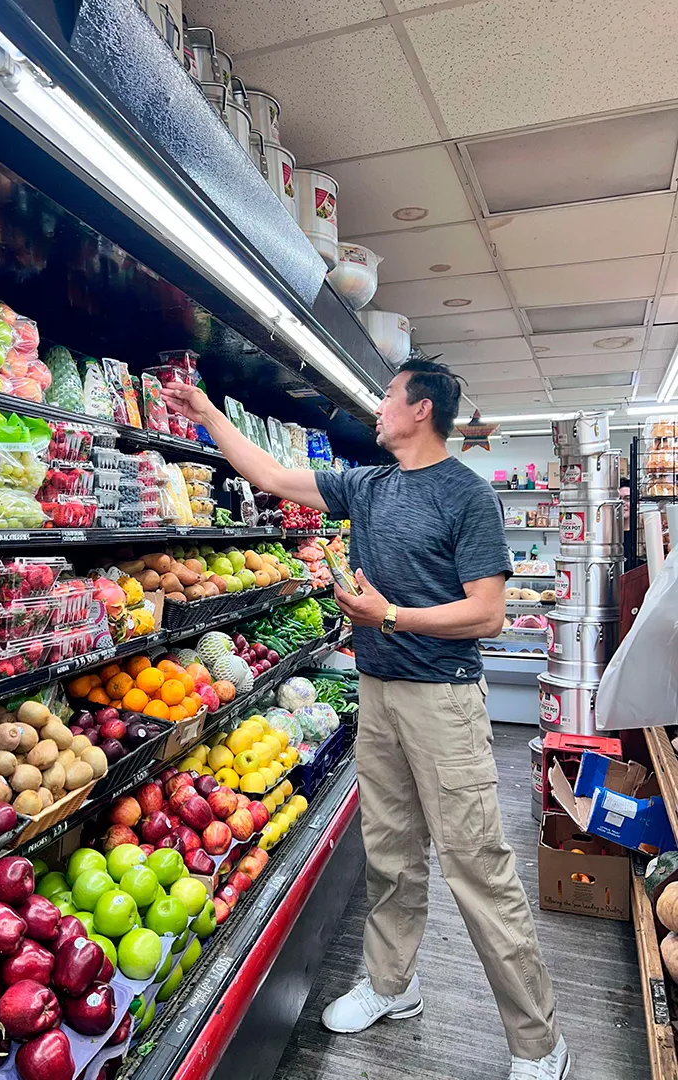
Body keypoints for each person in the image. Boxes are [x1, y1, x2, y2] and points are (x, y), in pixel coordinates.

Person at [161, 360, 569, 1080]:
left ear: (420, 409)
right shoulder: (370, 486)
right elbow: (273, 476)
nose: (377, 407)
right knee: (390, 854)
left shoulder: (467, 496)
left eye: (386, 396)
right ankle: (391, 983)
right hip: (378, 693)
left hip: (442, 700)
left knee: (478, 867)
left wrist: (391, 615)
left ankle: (539, 1044)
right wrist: (203, 411)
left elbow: (487, 611)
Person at [620, 479, 633, 570]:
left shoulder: (642, 537)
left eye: (627, 499)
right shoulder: (607, 536)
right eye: (619, 499)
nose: (622, 503)